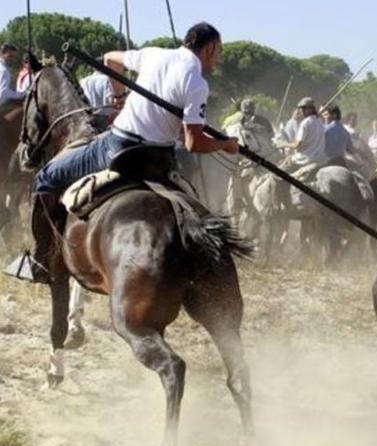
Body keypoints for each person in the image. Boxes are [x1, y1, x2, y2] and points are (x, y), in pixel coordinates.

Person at [22, 22, 239, 283]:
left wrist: (119, 96)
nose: (218, 59)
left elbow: (111, 60)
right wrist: (225, 145)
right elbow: (194, 144)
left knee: (45, 177)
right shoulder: (197, 81)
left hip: (119, 148)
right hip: (160, 159)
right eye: (219, 52)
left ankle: (42, 261)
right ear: (210, 47)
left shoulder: (154, 54)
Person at [278, 96, 325, 166]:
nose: (301, 111)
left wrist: (282, 144)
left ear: (310, 109)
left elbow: (296, 145)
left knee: (276, 172)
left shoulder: (305, 123)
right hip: (319, 157)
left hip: (304, 159)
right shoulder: (320, 121)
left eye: (302, 109)